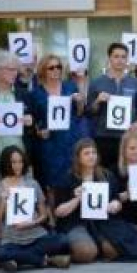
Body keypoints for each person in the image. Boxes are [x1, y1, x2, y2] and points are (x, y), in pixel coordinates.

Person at [54, 138, 137, 263]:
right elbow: (58, 212)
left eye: (94, 153)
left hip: (102, 222)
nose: (91, 156)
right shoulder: (68, 178)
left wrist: (115, 205)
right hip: (76, 223)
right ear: (78, 157)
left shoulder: (106, 175)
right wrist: (77, 199)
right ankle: (61, 256)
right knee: (86, 253)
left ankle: (97, 245)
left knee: (113, 251)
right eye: (87, 153)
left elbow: (117, 200)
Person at [0, 146, 70, 272]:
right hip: (11, 240)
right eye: (13, 162)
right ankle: (45, 260)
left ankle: (17, 261)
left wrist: (33, 222)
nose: (18, 165)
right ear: (5, 163)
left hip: (37, 236)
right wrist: (3, 202)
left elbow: (44, 214)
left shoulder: (32, 183)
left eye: (20, 161)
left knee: (63, 240)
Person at [29, 54, 84, 209]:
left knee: (74, 177)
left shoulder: (70, 86)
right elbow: (33, 121)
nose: (56, 70)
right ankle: (53, 216)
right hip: (50, 142)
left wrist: (79, 102)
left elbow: (79, 113)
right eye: (51, 67)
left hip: (71, 138)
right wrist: (39, 132)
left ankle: (73, 213)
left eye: (58, 67)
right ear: (43, 70)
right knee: (51, 182)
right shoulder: (36, 93)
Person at [86, 43, 137, 170]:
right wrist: (97, 100)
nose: (120, 60)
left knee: (128, 173)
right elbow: (89, 112)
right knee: (106, 173)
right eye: (116, 56)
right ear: (109, 58)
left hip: (128, 138)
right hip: (104, 137)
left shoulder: (136, 82)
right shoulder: (96, 83)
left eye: (123, 57)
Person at [0, 51, 34, 186]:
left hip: (21, 160)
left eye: (16, 69)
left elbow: (36, 121)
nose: (15, 73)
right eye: (11, 69)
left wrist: (30, 121)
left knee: (25, 201)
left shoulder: (23, 94)